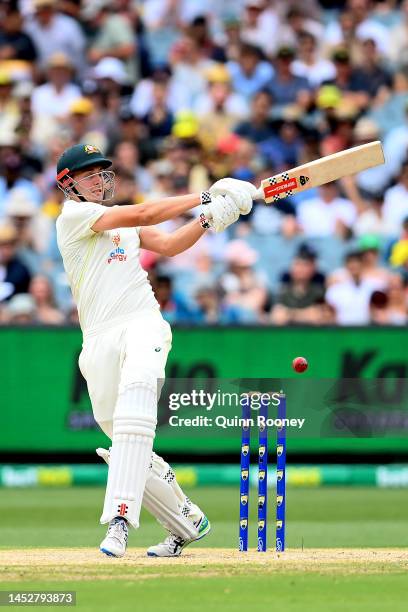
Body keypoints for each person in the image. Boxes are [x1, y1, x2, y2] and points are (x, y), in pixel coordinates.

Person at [55, 143, 256, 558]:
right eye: (89, 174)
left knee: (135, 415)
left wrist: (209, 219)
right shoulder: (73, 217)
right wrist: (206, 196)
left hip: (143, 322)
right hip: (97, 339)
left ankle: (119, 520)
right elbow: (145, 213)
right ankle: (187, 522)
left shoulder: (122, 222)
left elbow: (167, 245)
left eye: (102, 172)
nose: (99, 179)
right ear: (68, 183)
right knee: (125, 441)